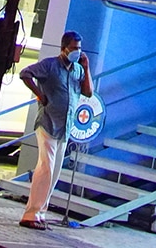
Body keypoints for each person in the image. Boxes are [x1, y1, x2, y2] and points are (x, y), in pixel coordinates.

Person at [18, 30, 95, 227]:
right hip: (48, 123)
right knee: (46, 168)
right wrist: (39, 94)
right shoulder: (50, 65)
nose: (77, 52)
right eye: (74, 48)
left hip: (65, 127)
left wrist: (86, 68)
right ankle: (31, 214)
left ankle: (41, 212)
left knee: (54, 172)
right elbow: (25, 73)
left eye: (79, 48)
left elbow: (88, 92)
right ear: (64, 48)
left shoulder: (77, 70)